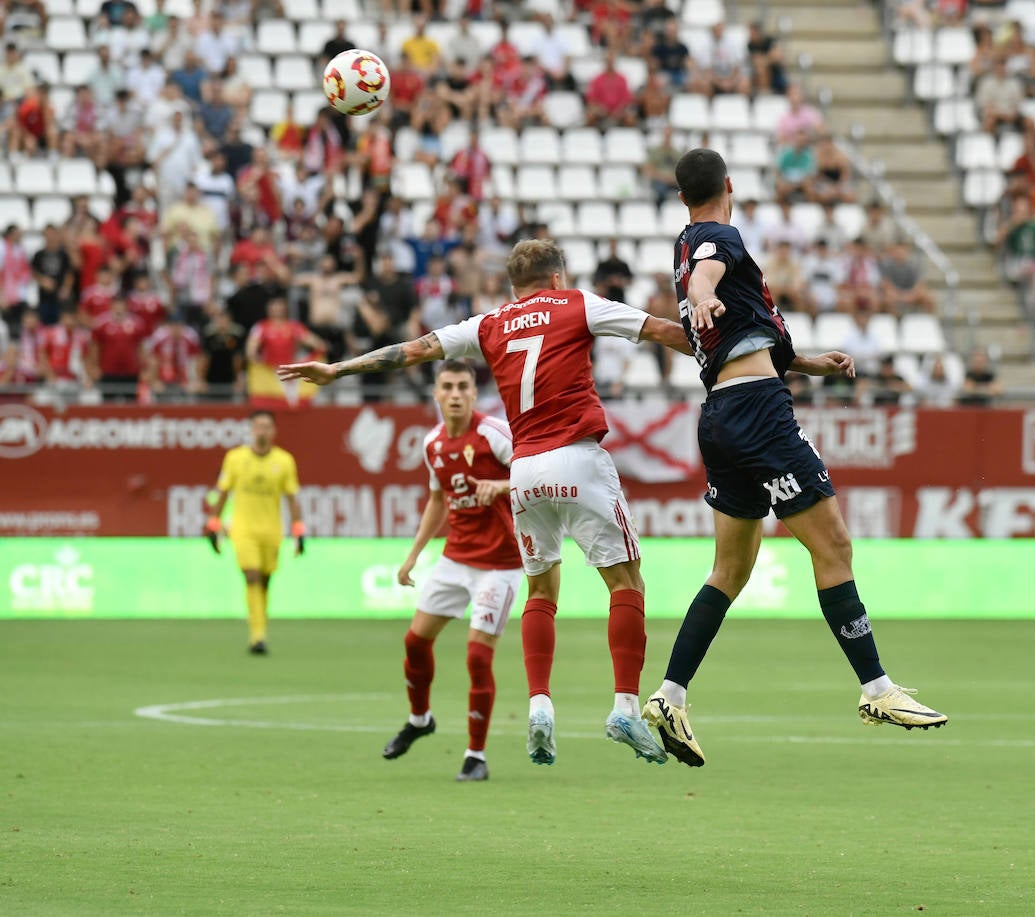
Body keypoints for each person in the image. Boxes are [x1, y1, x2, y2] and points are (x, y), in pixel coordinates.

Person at [277, 240, 694, 768]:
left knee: (541, 590)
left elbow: (411, 350)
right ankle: (624, 706)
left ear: (512, 286)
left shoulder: (487, 324)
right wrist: (726, 358)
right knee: (626, 582)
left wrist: (337, 369)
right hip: (578, 457)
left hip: (523, 473)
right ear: (557, 277)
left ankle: (540, 704)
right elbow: (660, 331)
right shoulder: (577, 304)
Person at [643, 149, 948, 769]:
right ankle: (877, 689)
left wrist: (806, 361)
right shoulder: (715, 238)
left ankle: (669, 695)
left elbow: (737, 330)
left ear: (680, 197)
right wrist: (702, 299)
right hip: (759, 414)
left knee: (729, 570)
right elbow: (706, 277)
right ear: (730, 186)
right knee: (833, 548)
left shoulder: (686, 243)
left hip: (721, 415)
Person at [382, 360, 522, 783]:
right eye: (448, 386)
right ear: (436, 394)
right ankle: (420, 719)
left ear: (473, 393)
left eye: (464, 386)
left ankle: (475, 755)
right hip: (455, 558)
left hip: (500, 564)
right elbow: (438, 500)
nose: (457, 393)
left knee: (478, 655)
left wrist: (499, 486)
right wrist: (412, 556)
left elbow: (536, 474)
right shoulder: (433, 444)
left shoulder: (494, 434)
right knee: (415, 641)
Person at [203, 410, 304, 655]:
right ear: (251, 430)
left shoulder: (284, 461)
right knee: (251, 576)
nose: (262, 431)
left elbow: (292, 498)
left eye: (267, 427)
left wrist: (298, 530)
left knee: (266, 581)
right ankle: (257, 636)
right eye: (258, 426)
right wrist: (213, 523)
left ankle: (260, 627)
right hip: (243, 530)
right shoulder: (235, 458)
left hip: (271, 531)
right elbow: (223, 492)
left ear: (274, 431)